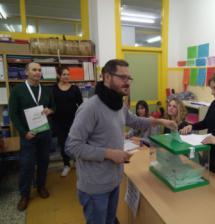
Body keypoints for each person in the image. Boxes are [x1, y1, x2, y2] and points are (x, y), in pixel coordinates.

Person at [65, 59, 177, 224]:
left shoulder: (118, 105)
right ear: (107, 77)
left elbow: (136, 121)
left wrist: (160, 121)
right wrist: (109, 154)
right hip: (95, 187)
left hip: (114, 181)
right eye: (122, 78)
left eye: (129, 78)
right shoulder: (90, 108)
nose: (127, 83)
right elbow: (72, 146)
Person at [9, 62, 55, 211]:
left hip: (44, 133)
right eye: (34, 70)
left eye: (39, 70)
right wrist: (23, 132)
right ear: (26, 72)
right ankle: (24, 194)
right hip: (28, 135)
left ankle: (41, 186)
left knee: (43, 162)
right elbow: (13, 114)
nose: (37, 72)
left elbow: (54, 106)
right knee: (27, 165)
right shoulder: (18, 90)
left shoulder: (47, 90)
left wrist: (50, 110)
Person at [52, 66, 83, 177]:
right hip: (58, 122)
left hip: (73, 121)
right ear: (59, 76)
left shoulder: (75, 88)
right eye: (64, 74)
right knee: (63, 143)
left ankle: (76, 161)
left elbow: (81, 105)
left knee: (74, 142)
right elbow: (50, 105)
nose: (66, 76)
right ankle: (66, 164)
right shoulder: (53, 89)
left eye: (68, 74)